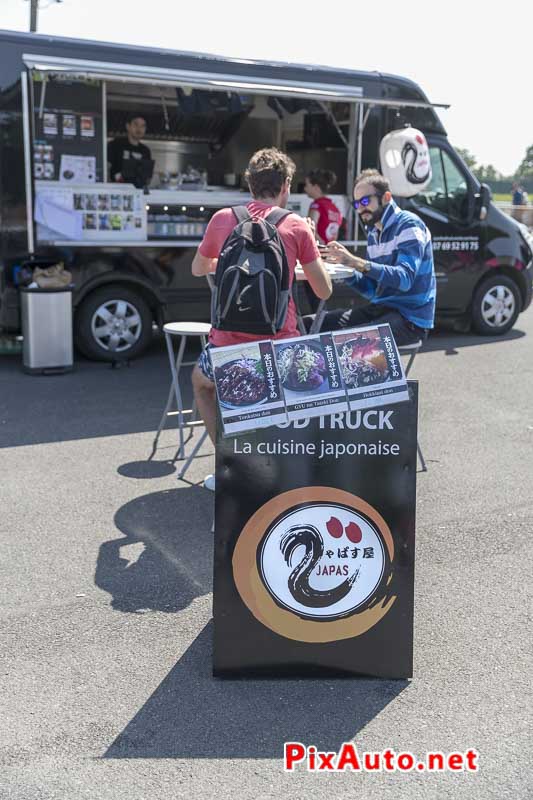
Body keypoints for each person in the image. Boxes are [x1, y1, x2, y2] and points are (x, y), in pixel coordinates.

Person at [191, 147, 333, 491]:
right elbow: (324, 290)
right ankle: (283, 469)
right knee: (308, 382)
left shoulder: (223, 219)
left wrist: (224, 264)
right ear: (285, 185)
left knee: (201, 383)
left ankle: (232, 463)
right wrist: (305, 248)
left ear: (250, 184)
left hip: (226, 347)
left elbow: (198, 269)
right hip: (278, 349)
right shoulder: (295, 224)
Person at [316, 168, 436, 346]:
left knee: (344, 343)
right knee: (313, 324)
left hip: (410, 319)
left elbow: (404, 279)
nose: (361, 208)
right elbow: (373, 291)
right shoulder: (374, 232)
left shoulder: (408, 224)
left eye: (365, 201)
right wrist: (346, 266)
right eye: (357, 204)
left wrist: (354, 261)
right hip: (381, 308)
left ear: (386, 197)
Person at [107, 114, 152, 185]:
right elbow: (106, 168)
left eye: (143, 126)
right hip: (117, 191)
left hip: (138, 191)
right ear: (128, 126)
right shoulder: (115, 144)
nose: (139, 128)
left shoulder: (145, 150)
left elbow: (148, 178)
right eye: (136, 124)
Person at [304, 169, 343, 245]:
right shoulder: (335, 208)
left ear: (316, 187)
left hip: (319, 250)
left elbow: (310, 228)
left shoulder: (316, 205)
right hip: (331, 250)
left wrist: (321, 245)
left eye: (306, 185)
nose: (305, 188)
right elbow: (335, 235)